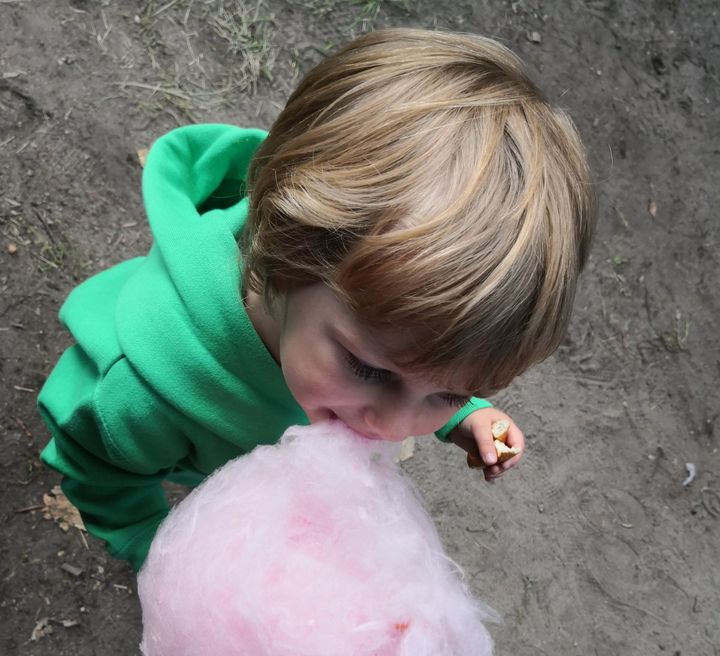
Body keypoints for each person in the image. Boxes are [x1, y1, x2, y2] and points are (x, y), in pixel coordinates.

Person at [37, 28, 596, 572]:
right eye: (367, 369)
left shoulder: (365, 343)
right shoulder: (137, 397)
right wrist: (159, 553)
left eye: (449, 392)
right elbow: (100, 475)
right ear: (286, 247)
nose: (394, 428)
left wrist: (466, 417)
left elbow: (420, 363)